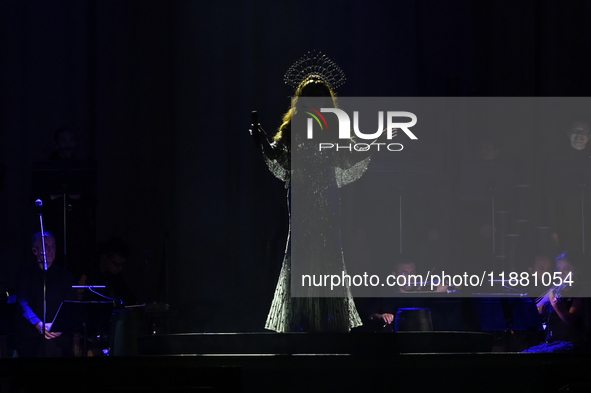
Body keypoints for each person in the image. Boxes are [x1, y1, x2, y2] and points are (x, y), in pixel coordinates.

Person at [251, 52, 376, 332]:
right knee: (302, 250)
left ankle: (332, 318)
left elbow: (348, 156)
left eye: (320, 96)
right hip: (302, 193)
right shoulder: (293, 126)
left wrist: (374, 144)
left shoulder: (334, 125)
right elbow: (277, 155)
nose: (316, 101)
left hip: (326, 193)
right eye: (311, 96)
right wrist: (260, 139)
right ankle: (301, 318)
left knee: (328, 249)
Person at [15, 231, 77, 357]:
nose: (50, 250)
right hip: (32, 336)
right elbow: (22, 302)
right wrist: (39, 324)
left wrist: (59, 326)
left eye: (53, 246)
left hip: (58, 335)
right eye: (46, 246)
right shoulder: (26, 274)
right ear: (35, 251)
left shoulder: (65, 276)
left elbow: (71, 303)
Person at [523, 251, 586, 353]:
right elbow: (538, 308)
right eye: (558, 269)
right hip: (552, 342)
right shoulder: (558, 289)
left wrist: (554, 303)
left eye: (566, 269)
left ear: (576, 270)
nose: (561, 273)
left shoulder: (579, 291)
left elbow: (569, 319)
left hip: (569, 343)